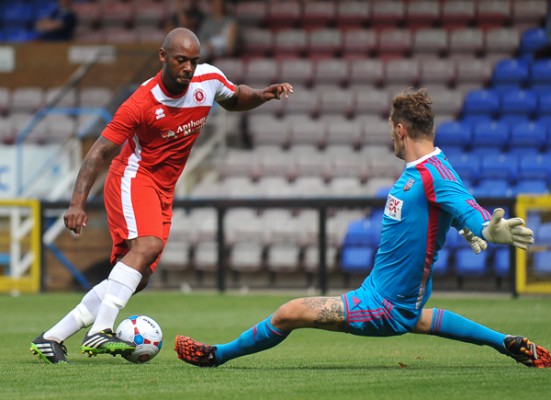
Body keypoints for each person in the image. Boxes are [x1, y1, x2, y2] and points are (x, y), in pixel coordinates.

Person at [174, 88, 551, 369]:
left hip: (382, 305)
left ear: (400, 129)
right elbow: (445, 209)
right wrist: (459, 225)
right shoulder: (425, 172)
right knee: (421, 319)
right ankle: (507, 343)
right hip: (386, 293)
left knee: (288, 312)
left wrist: (484, 228)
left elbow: (466, 205)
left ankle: (215, 356)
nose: (390, 134)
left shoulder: (434, 174)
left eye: (390, 128)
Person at [29, 27, 293, 364]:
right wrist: (77, 204)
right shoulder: (141, 101)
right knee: (148, 246)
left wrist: (264, 94)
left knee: (137, 278)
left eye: (193, 62)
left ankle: (52, 337)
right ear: (163, 56)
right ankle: (101, 330)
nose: (188, 68)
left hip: (164, 188)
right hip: (133, 177)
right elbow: (99, 152)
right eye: (181, 60)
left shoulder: (207, 80)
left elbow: (236, 97)